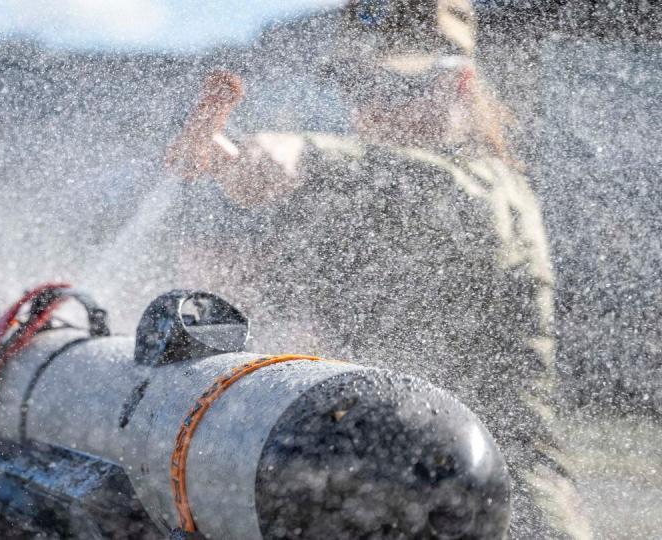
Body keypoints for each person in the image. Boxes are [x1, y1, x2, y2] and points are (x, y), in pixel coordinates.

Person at [165, 1, 590, 538]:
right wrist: (233, 175)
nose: (372, 110)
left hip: (510, 506)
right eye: (357, 86)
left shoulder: (493, 192)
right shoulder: (351, 203)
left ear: (457, 85)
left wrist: (306, 155)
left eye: (396, 88)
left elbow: (427, 187)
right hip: (393, 498)